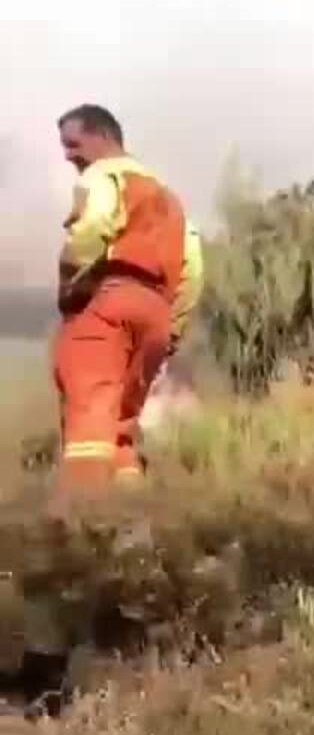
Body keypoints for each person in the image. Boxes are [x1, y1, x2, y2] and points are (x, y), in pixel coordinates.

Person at [51, 104, 202, 496]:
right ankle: (129, 514)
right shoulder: (168, 199)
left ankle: (82, 520)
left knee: (88, 422)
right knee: (120, 430)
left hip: (107, 303)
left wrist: (70, 282)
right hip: (155, 316)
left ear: (102, 136)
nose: (68, 155)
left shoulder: (104, 174)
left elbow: (94, 226)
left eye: (72, 143)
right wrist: (171, 330)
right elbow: (193, 270)